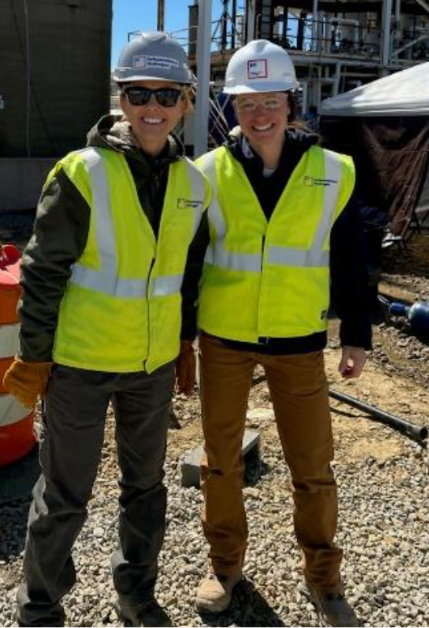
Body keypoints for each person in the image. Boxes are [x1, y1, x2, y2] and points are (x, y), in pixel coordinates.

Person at [6, 32, 208, 626]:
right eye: (138, 92)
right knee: (65, 498)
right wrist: (36, 357)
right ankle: (40, 609)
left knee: (145, 492)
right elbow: (42, 274)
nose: (152, 105)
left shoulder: (194, 185)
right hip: (80, 367)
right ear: (120, 96)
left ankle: (137, 595)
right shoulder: (81, 173)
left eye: (166, 94)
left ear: (186, 101)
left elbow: (185, 275)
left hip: (149, 370)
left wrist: (182, 343)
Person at [187, 40, 372, 627]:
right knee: (221, 461)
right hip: (224, 338)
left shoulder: (332, 171)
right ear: (231, 109)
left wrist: (357, 334)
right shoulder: (208, 174)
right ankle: (224, 567)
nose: (260, 115)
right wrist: (182, 339)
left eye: (271, 101)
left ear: (292, 103)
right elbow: (191, 261)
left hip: (297, 341)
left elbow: (351, 256)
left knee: (313, 467)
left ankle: (325, 580)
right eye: (247, 104)